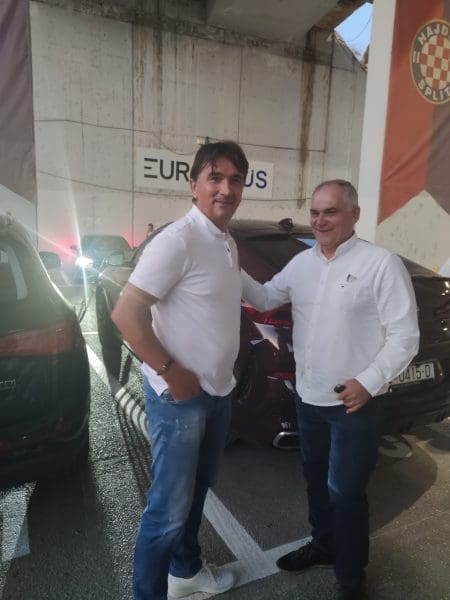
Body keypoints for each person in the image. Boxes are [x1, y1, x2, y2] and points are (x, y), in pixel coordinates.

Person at [241, 180, 420, 600]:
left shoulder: (381, 264)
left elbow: (405, 336)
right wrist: (231, 268)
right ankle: (324, 546)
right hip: (309, 398)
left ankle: (351, 578)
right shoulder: (302, 264)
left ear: (354, 215)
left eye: (331, 211)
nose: (321, 221)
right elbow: (265, 297)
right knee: (316, 481)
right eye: (316, 212)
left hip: (353, 405)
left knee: (346, 492)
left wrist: (368, 382)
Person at [112, 141, 249, 600]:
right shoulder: (178, 240)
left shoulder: (225, 241)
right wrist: (172, 373)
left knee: (198, 491)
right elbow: (126, 315)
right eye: (215, 178)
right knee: (167, 513)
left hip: (218, 392)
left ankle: (186, 572)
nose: (226, 189)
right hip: (180, 399)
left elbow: (240, 293)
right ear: (193, 186)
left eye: (235, 180)